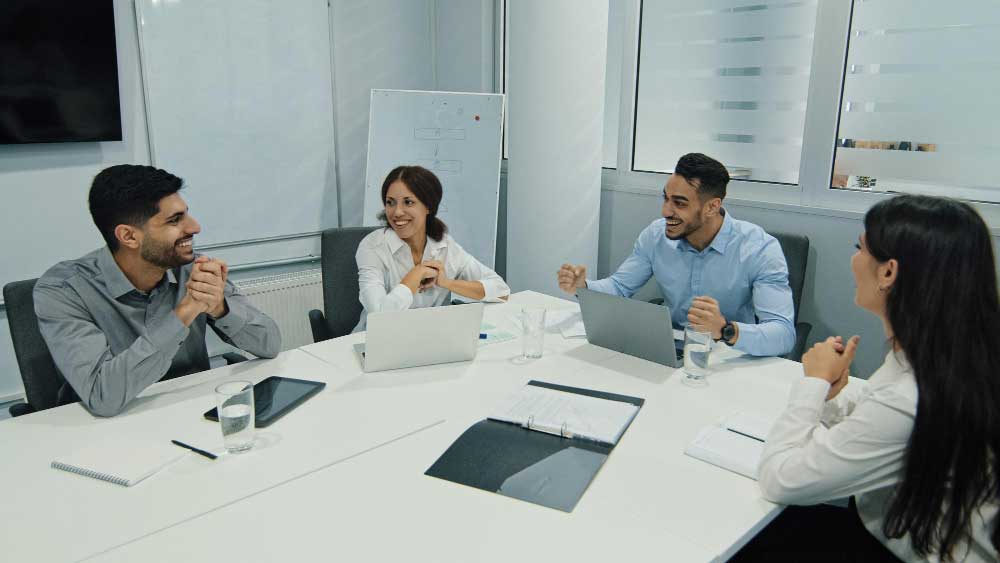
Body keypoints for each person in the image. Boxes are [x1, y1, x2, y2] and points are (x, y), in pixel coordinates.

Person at [738, 195, 1000, 562]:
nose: (854, 260)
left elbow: (779, 479)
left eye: (859, 248)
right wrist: (830, 395)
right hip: (897, 527)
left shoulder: (911, 395)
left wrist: (813, 383)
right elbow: (870, 412)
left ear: (888, 272)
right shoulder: (944, 357)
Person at [34, 165, 281, 417]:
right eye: (174, 220)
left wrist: (220, 308)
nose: (194, 227)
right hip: (110, 427)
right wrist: (184, 313)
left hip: (192, 410)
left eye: (187, 214)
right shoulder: (63, 290)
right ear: (129, 236)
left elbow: (270, 344)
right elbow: (103, 396)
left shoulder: (192, 267)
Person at [557, 152, 794, 356]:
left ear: (712, 207)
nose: (665, 211)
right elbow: (619, 287)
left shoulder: (760, 249)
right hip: (670, 351)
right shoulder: (655, 236)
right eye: (666, 199)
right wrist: (583, 287)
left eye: (679, 203)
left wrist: (724, 330)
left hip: (729, 355)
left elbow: (783, 333)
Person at [355, 165, 509, 331]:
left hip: (428, 336)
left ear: (428, 206)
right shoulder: (372, 247)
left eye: (408, 202)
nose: (397, 212)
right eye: (390, 202)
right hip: (376, 339)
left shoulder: (445, 246)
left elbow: (501, 291)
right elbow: (379, 318)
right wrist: (416, 274)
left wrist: (447, 283)